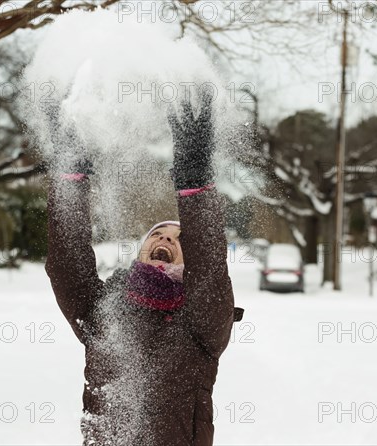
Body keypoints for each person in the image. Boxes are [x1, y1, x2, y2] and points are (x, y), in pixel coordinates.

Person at [44, 89, 243, 445]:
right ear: (141, 252)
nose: (166, 240)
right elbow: (68, 262)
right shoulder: (105, 311)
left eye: (179, 239)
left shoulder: (202, 323)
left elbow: (210, 272)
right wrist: (69, 175)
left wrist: (194, 179)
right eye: (158, 235)